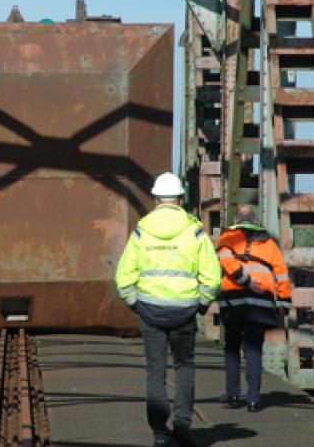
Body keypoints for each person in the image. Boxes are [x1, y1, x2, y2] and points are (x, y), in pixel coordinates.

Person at [115, 172, 221, 447]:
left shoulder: (142, 231)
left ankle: (159, 433)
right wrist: (201, 304)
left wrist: (135, 303)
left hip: (150, 312)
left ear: (155, 198)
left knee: (155, 370)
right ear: (181, 199)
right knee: (185, 367)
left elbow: (124, 276)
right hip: (184, 313)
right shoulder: (194, 231)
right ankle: (182, 424)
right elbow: (212, 277)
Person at [216, 205, 292, 412]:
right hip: (261, 302)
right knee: (253, 349)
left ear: (236, 220)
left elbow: (225, 260)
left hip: (234, 300)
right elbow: (282, 272)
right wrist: (284, 302)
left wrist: (244, 279)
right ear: (255, 221)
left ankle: (232, 394)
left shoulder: (228, 238)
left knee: (232, 346)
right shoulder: (269, 243)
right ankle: (253, 398)